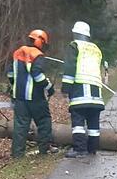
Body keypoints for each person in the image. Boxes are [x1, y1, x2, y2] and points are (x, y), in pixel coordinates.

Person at [7, 29, 55, 157]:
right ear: (40, 41)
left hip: (19, 97)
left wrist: (14, 86)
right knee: (44, 121)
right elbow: (37, 75)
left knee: (21, 126)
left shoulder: (17, 53)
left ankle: (17, 154)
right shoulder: (37, 55)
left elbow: (10, 74)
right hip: (35, 97)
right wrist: (49, 87)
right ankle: (45, 149)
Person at [62, 21, 106, 158]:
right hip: (96, 93)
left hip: (80, 90)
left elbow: (70, 68)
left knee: (78, 122)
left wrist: (66, 88)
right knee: (93, 123)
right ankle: (92, 148)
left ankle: (79, 149)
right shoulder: (96, 49)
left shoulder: (75, 46)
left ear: (76, 33)